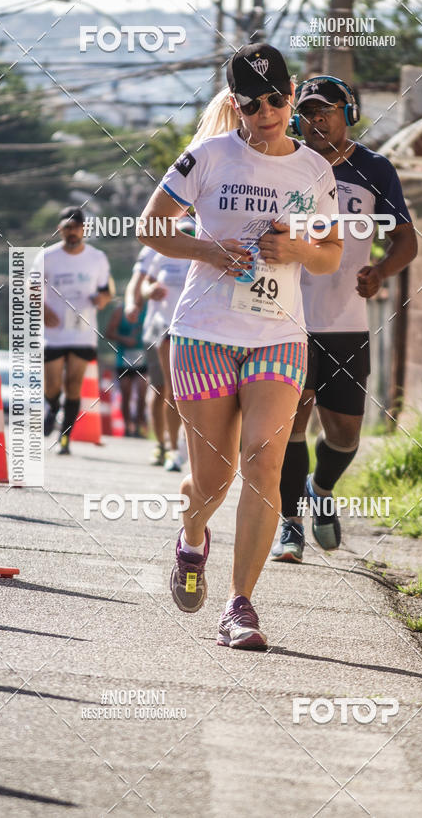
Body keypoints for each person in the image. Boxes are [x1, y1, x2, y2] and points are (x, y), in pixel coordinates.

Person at [137, 43, 343, 649]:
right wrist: (208, 250)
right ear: (236, 105)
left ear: (292, 93)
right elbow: (152, 226)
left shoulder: (314, 169)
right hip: (203, 332)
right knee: (214, 480)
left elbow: (330, 254)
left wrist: (297, 251)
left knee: (265, 462)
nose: (267, 113)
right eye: (252, 104)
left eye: (277, 100)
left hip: (278, 335)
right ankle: (192, 537)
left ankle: (241, 606)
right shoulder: (206, 157)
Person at [271, 76, 418, 562]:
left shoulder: (375, 169)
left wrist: (380, 271)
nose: (316, 119)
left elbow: (406, 241)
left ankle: (320, 487)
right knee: (292, 422)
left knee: (345, 434)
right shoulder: (287, 163)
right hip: (288, 318)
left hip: (347, 321)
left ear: (347, 114)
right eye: (309, 110)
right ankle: (289, 523)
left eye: (327, 110)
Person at [42, 207, 112, 454]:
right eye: (66, 228)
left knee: (74, 385)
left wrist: (102, 300)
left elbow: (106, 290)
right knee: (51, 385)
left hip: (83, 330)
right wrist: (41, 307)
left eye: (75, 227)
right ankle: (51, 406)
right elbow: (29, 286)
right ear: (60, 229)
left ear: (84, 229)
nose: (71, 232)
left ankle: (65, 439)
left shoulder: (97, 258)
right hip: (54, 332)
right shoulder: (48, 257)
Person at [140, 218, 195, 471]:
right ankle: (172, 449)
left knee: (197, 393)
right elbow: (143, 283)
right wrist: (148, 290)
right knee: (171, 390)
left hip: (200, 329)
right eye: (181, 234)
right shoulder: (161, 250)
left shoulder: (206, 248)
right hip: (165, 328)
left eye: (190, 234)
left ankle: (192, 447)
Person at [124, 247, 167, 465]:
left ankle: (179, 445)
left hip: (197, 329)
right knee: (160, 389)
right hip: (158, 328)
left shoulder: (209, 232)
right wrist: (133, 303)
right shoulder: (154, 244)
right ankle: (161, 445)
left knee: (184, 392)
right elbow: (138, 281)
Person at [105, 303, 148, 436]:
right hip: (123, 358)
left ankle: (140, 424)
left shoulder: (148, 307)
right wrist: (124, 339)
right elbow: (109, 333)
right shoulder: (120, 310)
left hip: (143, 358)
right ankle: (128, 427)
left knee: (142, 393)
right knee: (126, 393)